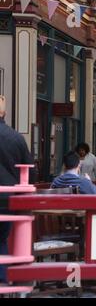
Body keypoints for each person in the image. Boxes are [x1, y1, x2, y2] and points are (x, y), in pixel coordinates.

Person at [0, 97, 35, 283]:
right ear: (4, 113)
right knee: (1, 239)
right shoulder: (16, 138)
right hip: (7, 200)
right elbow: (30, 172)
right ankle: (4, 280)